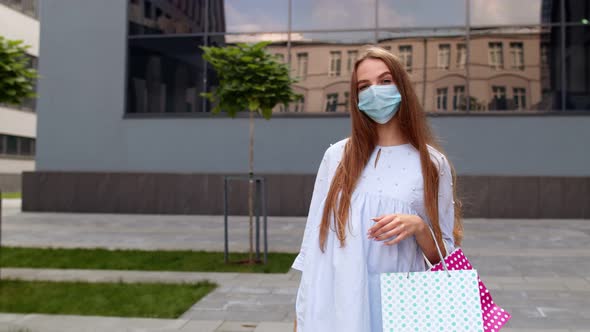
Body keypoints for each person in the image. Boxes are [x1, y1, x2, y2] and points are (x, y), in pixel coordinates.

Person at [291, 46, 464, 332]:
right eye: (364, 86)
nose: (375, 92)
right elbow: (313, 244)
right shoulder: (337, 156)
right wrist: (301, 316)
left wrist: (420, 227)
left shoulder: (432, 163)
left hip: (401, 306)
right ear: (356, 97)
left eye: (385, 81)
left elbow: (446, 258)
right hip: (338, 303)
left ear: (402, 87)